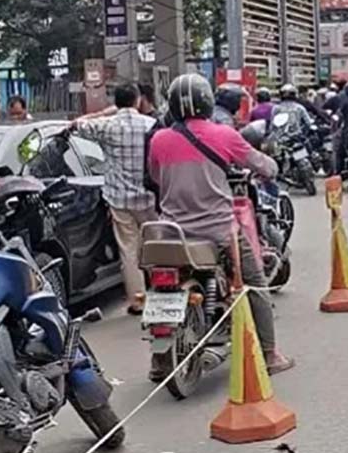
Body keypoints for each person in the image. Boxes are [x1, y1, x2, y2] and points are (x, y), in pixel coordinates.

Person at [148, 74, 294, 376]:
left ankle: (160, 361)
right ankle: (270, 354)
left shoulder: (159, 139)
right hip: (217, 231)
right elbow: (264, 166)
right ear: (206, 103)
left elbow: (154, 177)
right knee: (256, 285)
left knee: (158, 287)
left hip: (171, 234)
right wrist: (271, 167)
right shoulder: (225, 135)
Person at [71, 83, 158, 315]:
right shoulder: (151, 125)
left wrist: (104, 112)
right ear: (138, 100)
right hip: (149, 199)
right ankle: (164, 292)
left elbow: (77, 124)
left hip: (119, 199)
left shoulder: (107, 126)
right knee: (157, 246)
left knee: (128, 251)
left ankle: (138, 301)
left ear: (115, 102)